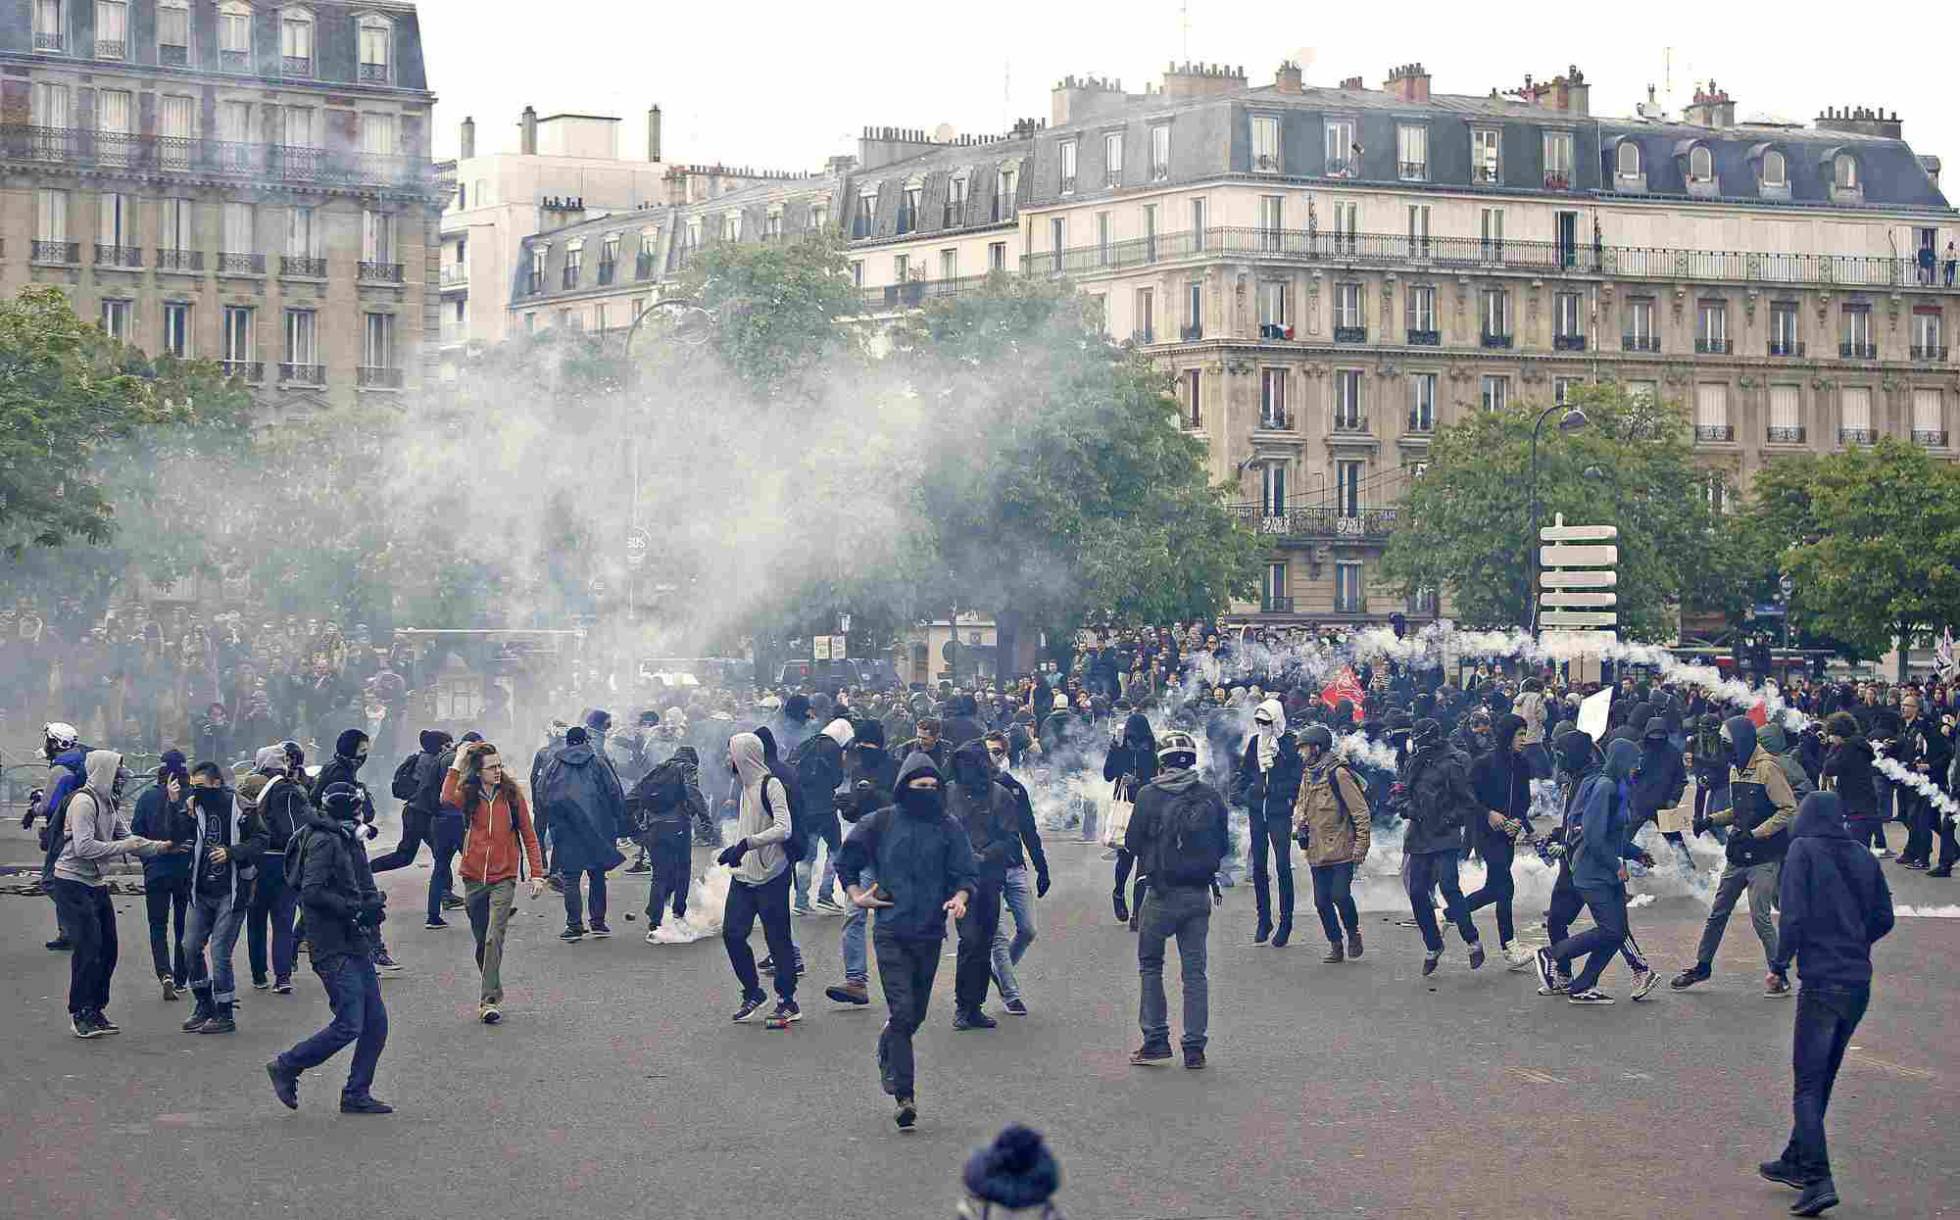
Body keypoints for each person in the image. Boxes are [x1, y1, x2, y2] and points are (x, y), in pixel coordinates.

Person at [1758, 792, 1895, 1217]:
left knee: (1808, 1084)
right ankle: (1796, 1158)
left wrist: (1779, 964)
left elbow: (1793, 915)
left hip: (1821, 982)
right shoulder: (1861, 854)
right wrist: (1856, 944)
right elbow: (1884, 918)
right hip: (1857, 983)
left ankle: (1817, 1178)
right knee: (1823, 1077)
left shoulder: (1803, 850)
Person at [835, 752, 976, 1129]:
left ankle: (889, 1043)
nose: (928, 792)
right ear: (904, 786)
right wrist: (857, 895)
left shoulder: (948, 826)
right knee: (901, 1010)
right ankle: (905, 1096)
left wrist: (959, 899)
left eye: (934, 786)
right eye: (920, 786)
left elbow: (966, 872)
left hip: (929, 931)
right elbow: (846, 860)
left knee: (915, 1015)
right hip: (891, 930)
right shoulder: (881, 822)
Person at [268, 783, 392, 1114]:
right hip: (331, 944)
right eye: (359, 808)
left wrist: (370, 905)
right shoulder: (325, 840)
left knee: (376, 1022)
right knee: (351, 1022)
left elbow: (356, 882)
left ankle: (356, 1093)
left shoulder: (346, 837)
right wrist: (353, 908)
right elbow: (311, 892)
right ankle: (287, 1065)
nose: (363, 814)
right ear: (349, 810)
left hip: (353, 938)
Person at [1124, 729, 1228, 1070]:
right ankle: (1194, 1047)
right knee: (1195, 973)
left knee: (1151, 965)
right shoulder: (1211, 796)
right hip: (1198, 893)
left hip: (1160, 892)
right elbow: (1223, 846)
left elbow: (1132, 842)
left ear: (1162, 760)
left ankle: (1156, 1040)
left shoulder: (1148, 795)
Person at [1673, 715, 1799, 995]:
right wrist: (1710, 820)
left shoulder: (1767, 769)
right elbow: (1737, 811)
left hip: (1764, 856)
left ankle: (1778, 973)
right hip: (1739, 853)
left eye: (1728, 744)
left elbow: (1787, 809)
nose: (1725, 750)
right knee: (1717, 913)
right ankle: (1702, 966)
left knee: (1760, 917)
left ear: (1741, 741)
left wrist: (1757, 833)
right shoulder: (1735, 769)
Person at [51, 750, 167, 1037]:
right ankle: (80, 1012)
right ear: (103, 772)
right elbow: (84, 847)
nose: (121, 780)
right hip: (72, 881)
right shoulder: (83, 802)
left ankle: (96, 1008)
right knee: (89, 946)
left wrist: (163, 847)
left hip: (95, 882)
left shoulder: (108, 804)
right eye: (117, 774)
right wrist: (128, 847)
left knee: (109, 949)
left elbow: (127, 839)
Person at [443, 741, 546, 1023]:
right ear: (478, 771)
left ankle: (488, 1000)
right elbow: (446, 799)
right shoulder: (469, 794)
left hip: (505, 876)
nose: (498, 771)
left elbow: (529, 833)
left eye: (499, 765)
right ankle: (494, 986)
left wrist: (537, 873)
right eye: (491, 767)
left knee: (493, 938)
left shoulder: (512, 796)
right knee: (481, 941)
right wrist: (457, 761)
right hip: (474, 877)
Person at [1537, 739, 1642, 1005]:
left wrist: (1635, 852)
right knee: (1611, 930)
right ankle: (1552, 954)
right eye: (1634, 762)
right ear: (1621, 761)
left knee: (1616, 931)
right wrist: (1616, 865)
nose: (1637, 768)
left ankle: (1583, 985)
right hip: (1591, 872)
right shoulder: (1604, 786)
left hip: (1601, 871)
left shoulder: (1613, 785)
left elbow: (1610, 833)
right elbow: (1594, 835)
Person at [716, 731, 801, 1027]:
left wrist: (746, 844)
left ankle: (787, 1000)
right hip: (745, 874)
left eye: (732, 753)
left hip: (772, 874)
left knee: (778, 940)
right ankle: (752, 992)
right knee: (732, 933)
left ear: (744, 757)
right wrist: (735, 850)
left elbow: (784, 828)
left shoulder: (771, 784)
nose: (729, 759)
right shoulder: (744, 787)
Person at [179, 768, 270, 1034]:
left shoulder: (242, 807)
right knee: (189, 946)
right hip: (200, 890)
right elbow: (175, 835)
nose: (196, 792)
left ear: (217, 783)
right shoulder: (191, 806)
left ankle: (225, 1012)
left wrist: (232, 853)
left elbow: (261, 840)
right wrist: (177, 808)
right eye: (192, 786)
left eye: (201, 786)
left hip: (231, 891)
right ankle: (203, 1003)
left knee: (220, 952)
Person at [1399, 718, 1485, 976]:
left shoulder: (1451, 765)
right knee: (1416, 892)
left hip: (1444, 836)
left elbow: (1468, 803)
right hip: (1418, 836)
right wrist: (1408, 808)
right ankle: (1433, 944)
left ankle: (1472, 940)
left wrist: (1448, 819)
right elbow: (1403, 794)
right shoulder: (1413, 763)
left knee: (1449, 885)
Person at [947, 740, 1019, 1030]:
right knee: (970, 941)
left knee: (984, 942)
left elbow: (1010, 839)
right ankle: (963, 1006)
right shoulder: (949, 793)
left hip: (989, 878)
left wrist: (985, 855)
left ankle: (974, 1005)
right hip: (958, 879)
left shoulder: (1000, 796)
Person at [535, 724, 628, 941]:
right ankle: (598, 923)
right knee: (597, 876)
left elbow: (542, 792)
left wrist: (551, 820)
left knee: (571, 879)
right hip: (598, 827)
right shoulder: (597, 762)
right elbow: (614, 792)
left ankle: (574, 926)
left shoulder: (554, 764)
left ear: (567, 742)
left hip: (567, 829)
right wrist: (618, 820)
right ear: (586, 740)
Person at [983, 731, 1049, 1016]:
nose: (992, 757)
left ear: (1006, 754)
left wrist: (1041, 867)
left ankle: (999, 971)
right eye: (987, 751)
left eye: (997, 751)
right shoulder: (972, 788)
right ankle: (1011, 994)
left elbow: (1029, 830)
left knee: (1028, 929)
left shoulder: (1016, 789)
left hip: (1015, 866)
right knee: (997, 935)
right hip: (988, 870)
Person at [1293, 725, 1371, 963]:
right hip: (1316, 849)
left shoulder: (1339, 774)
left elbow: (1360, 812)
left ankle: (1352, 932)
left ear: (1316, 748)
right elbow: (1301, 805)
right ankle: (1335, 943)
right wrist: (1299, 824)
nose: (1301, 753)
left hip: (1341, 848)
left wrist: (1361, 845)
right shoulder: (1308, 774)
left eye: (1304, 748)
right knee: (1321, 901)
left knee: (1340, 895)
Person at [1466, 713, 1537, 967]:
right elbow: (1469, 797)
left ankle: (1449, 914)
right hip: (1485, 833)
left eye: (1525, 734)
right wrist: (1488, 814)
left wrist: (1519, 820)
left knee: (1494, 888)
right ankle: (1509, 945)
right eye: (1519, 735)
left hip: (1508, 833)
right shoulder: (1483, 763)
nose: (1523, 740)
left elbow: (1523, 799)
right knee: (1504, 887)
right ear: (1507, 736)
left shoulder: (1522, 764)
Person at [1232, 699, 1302, 946]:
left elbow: (1297, 780)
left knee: (1283, 866)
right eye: (1259, 722)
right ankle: (1264, 919)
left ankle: (1286, 922)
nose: (1262, 726)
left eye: (1266, 722)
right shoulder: (1255, 743)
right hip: (1257, 812)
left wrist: (1272, 789)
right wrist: (1240, 791)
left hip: (1279, 811)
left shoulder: (1289, 745)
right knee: (1259, 867)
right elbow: (1245, 771)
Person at [131, 751, 196, 1001]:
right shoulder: (191, 796)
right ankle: (181, 977)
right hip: (184, 870)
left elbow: (135, 835)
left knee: (157, 925)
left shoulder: (147, 797)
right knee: (183, 925)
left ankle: (164, 973)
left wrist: (149, 858)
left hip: (156, 870)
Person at [626, 746, 707, 939]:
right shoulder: (687, 768)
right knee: (682, 871)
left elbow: (630, 799)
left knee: (659, 875)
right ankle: (677, 914)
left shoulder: (656, 771)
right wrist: (706, 819)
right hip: (679, 826)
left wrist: (635, 830)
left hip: (654, 828)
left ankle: (655, 919)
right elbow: (693, 792)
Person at [247, 747, 311, 993]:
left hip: (256, 861)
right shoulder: (290, 788)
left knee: (255, 920)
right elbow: (299, 828)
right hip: (284, 861)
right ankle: (282, 976)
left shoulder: (249, 785)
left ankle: (258, 974)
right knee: (283, 920)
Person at [790, 717, 852, 915]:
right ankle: (826, 895)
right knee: (835, 851)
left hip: (805, 809)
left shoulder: (808, 743)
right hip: (825, 809)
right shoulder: (833, 748)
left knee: (808, 856)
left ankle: (800, 901)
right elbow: (835, 780)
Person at [1102, 713, 1157, 924]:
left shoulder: (1151, 752)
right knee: (1125, 859)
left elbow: (1156, 777)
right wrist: (1114, 750)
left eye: (1138, 739)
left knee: (1143, 862)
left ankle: (1137, 913)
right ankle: (1118, 892)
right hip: (1124, 808)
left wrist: (1139, 780)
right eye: (1130, 738)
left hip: (1145, 808)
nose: (1134, 742)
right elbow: (1108, 775)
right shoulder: (1121, 750)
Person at [1820, 712, 1881, 854]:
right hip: (1866, 805)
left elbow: (1828, 769)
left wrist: (1832, 749)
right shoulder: (1860, 744)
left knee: (1854, 853)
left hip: (1855, 808)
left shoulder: (1848, 749)